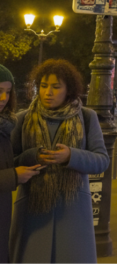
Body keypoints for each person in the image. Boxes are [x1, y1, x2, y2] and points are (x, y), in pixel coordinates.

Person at [10, 59, 110, 263]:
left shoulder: (87, 117)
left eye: (56, 87)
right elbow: (10, 162)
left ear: (69, 90)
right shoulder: (22, 118)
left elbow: (101, 160)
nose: (48, 92)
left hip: (73, 211)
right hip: (32, 210)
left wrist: (71, 156)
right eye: (44, 86)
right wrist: (33, 156)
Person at [0, 66, 42, 263]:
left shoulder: (5, 124)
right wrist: (15, 176)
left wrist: (31, 157)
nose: (3, 98)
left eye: (8, 92)